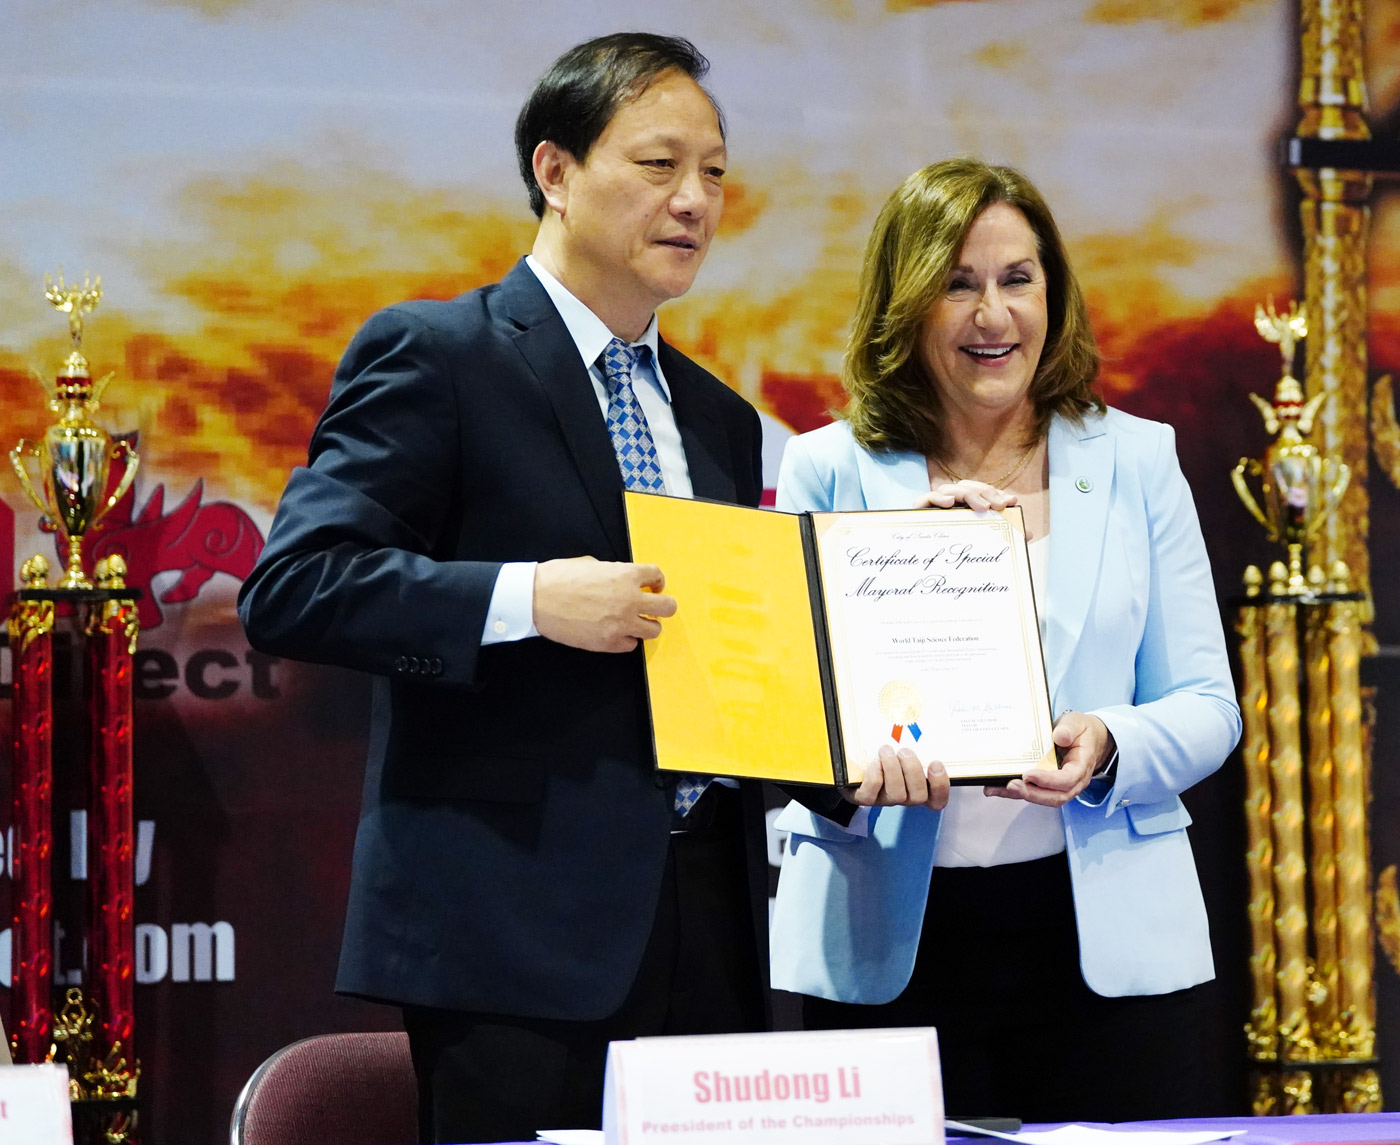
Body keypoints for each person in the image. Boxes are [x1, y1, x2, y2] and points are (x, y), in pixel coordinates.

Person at [238, 33, 844, 1143]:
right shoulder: (439, 354)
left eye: (714, 172)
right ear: (555, 171)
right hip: (509, 930)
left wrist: (862, 755)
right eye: (658, 164)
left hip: (711, 922)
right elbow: (297, 585)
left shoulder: (717, 415)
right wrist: (526, 599)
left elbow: (724, 664)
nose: (694, 200)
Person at [768, 158, 1242, 1122]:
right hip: (883, 941)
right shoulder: (826, 468)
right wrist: (854, 762)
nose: (994, 315)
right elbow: (781, 710)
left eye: (1017, 278)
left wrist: (1108, 741)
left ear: (1053, 295)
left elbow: (1208, 705)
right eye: (957, 283)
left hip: (1107, 938)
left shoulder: (1138, 459)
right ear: (905, 304)